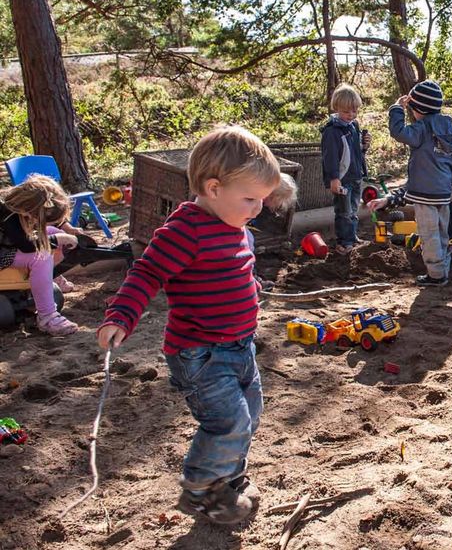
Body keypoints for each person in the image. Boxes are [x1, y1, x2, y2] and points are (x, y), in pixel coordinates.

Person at [98, 126, 282, 525]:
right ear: (213, 188)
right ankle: (201, 491)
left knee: (249, 412)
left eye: (262, 200)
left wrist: (250, 286)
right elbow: (146, 273)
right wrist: (121, 315)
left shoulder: (235, 226)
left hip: (240, 346)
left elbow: (236, 268)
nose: (257, 209)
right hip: (200, 353)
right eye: (250, 199)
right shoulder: (185, 231)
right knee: (227, 422)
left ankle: (229, 479)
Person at [387, 80, 452, 287]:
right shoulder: (449, 128)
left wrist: (397, 108)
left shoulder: (421, 128)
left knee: (428, 233)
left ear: (417, 109)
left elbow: (398, 133)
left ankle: (436, 275)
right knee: (441, 230)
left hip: (425, 193)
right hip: (442, 192)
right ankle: (443, 265)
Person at [0, 174, 82, 335]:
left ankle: (48, 276)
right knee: (41, 257)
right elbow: (27, 246)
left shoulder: (22, 204)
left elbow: (48, 219)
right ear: (29, 211)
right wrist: (59, 239)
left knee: (53, 232)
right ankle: (47, 317)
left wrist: (66, 229)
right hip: (3, 253)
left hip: (11, 244)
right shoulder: (6, 214)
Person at [321, 83, 369, 254]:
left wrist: (364, 146)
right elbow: (330, 157)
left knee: (354, 210)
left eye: (354, 111)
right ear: (337, 108)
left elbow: (356, 152)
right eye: (347, 111)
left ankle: (351, 235)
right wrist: (334, 178)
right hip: (342, 179)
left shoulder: (353, 127)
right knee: (343, 212)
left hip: (355, 176)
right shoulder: (332, 131)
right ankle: (344, 242)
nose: (351, 115)